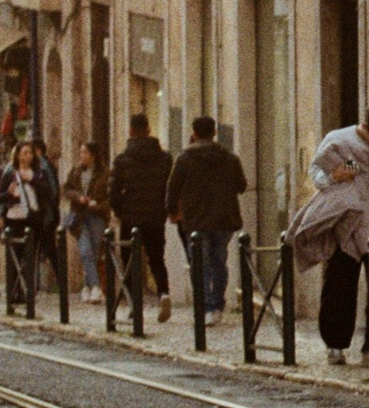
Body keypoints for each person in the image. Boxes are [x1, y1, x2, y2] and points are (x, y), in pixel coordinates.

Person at [287, 106, 369, 367]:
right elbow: (316, 173)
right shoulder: (339, 140)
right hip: (346, 225)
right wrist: (332, 177)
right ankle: (335, 345)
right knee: (339, 286)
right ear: (365, 129)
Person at [166, 117, 247, 326]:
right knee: (219, 262)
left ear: (194, 133)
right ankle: (217, 305)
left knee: (199, 265)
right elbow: (241, 185)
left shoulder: (184, 158)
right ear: (214, 133)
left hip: (195, 220)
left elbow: (172, 188)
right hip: (224, 219)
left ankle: (206, 307)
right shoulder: (230, 158)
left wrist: (173, 211)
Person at [105, 114, 174, 320]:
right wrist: (164, 210)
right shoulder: (164, 158)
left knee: (128, 261)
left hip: (131, 218)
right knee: (156, 259)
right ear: (148, 129)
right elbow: (169, 188)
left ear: (131, 131)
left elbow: (113, 192)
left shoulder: (122, 160)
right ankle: (163, 293)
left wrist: (120, 212)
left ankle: (136, 303)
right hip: (155, 217)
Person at [0, 140, 60, 308]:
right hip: (13, 218)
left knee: (29, 257)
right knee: (14, 256)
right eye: (24, 153)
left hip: (32, 218)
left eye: (30, 153)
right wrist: (8, 195)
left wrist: (33, 179)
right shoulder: (10, 172)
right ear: (17, 155)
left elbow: (49, 193)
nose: (28, 156)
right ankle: (13, 291)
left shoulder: (40, 173)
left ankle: (26, 291)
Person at [62, 141, 109, 305]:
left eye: (84, 152)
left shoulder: (104, 173)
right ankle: (96, 287)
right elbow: (66, 189)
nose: (81, 155)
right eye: (80, 152)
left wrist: (97, 204)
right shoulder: (75, 172)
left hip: (97, 217)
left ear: (93, 155)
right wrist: (78, 197)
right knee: (86, 251)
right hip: (79, 217)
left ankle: (86, 287)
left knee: (94, 252)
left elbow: (110, 198)